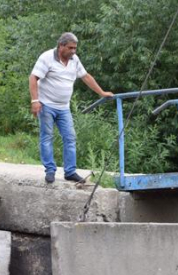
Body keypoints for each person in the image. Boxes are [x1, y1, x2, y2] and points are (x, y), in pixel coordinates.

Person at [29, 32, 113, 184]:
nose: (73, 51)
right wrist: (35, 100)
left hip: (64, 107)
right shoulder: (47, 57)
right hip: (46, 105)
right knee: (47, 137)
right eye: (70, 48)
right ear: (61, 46)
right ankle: (50, 170)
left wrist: (101, 92)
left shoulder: (74, 60)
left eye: (75, 48)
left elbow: (86, 76)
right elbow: (33, 77)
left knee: (70, 137)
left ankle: (70, 171)